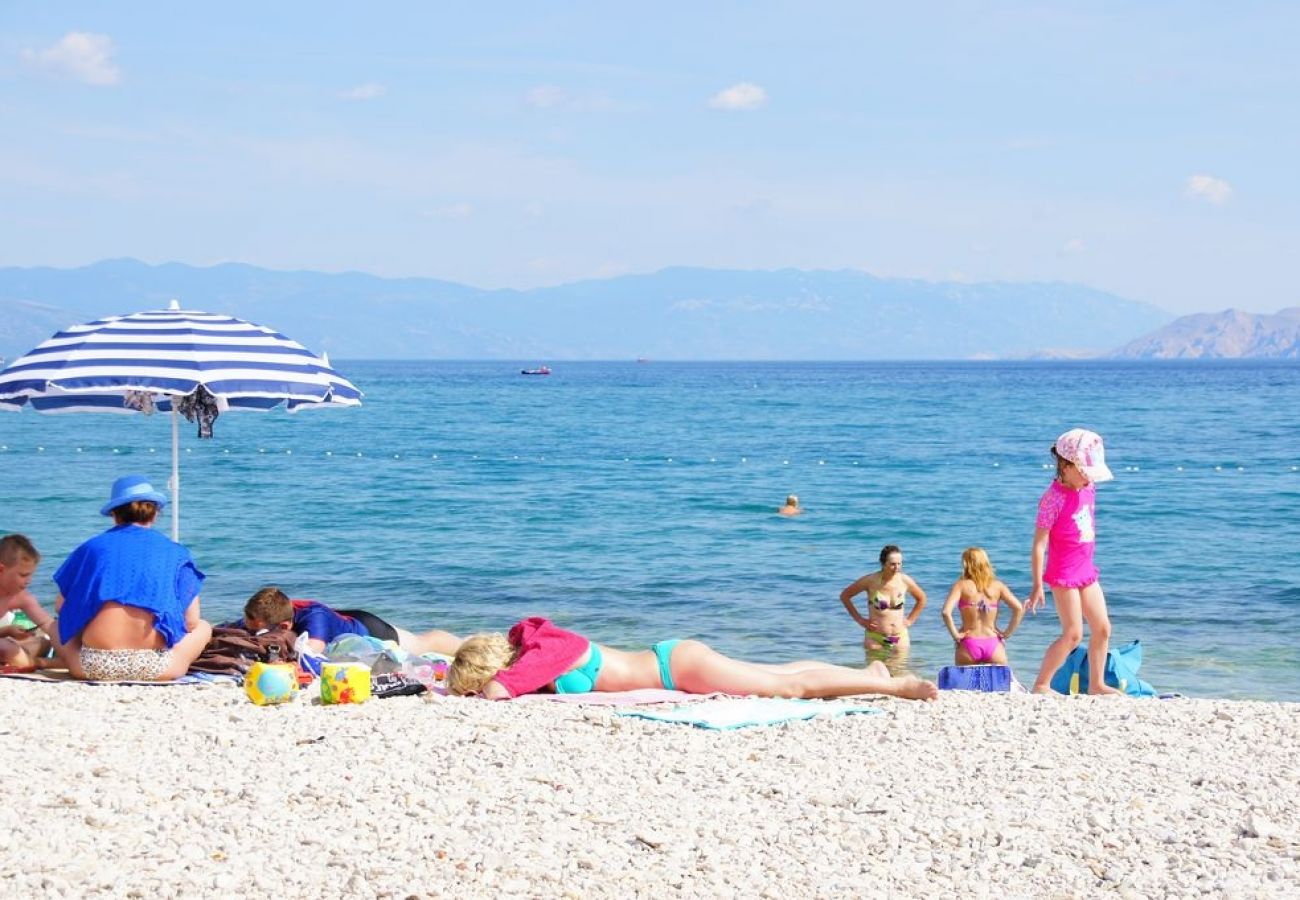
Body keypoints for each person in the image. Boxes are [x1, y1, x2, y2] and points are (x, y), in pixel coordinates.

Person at [445, 616, 938, 701]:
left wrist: (475, 691)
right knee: (778, 672)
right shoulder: (538, 656)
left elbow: (501, 690)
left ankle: (894, 686)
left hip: (675, 668)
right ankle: (866, 671)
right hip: (675, 662)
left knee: (791, 687)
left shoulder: (549, 651)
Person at [52, 475, 213, 681]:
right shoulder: (176, 553)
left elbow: (61, 607)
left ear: (114, 514)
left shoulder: (91, 548)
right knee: (204, 627)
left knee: (55, 625)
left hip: (94, 666)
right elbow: (190, 621)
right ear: (154, 514)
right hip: (158, 668)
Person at [1027, 428, 1119, 695]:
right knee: (1073, 634)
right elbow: (1039, 545)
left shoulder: (1088, 488)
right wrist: (1036, 586)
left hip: (1086, 570)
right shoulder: (1052, 499)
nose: (1088, 477)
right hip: (1064, 573)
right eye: (1083, 470)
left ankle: (1097, 684)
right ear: (1065, 466)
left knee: (1102, 628)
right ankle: (1041, 684)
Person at [242, 586, 462, 657]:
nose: (254, 634)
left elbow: (312, 651)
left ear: (284, 626)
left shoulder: (314, 618)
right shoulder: (267, 614)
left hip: (369, 629)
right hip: (341, 620)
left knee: (423, 645)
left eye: (259, 632)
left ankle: (466, 643)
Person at [839, 544, 927, 660]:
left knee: (899, 674)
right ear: (883, 563)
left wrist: (910, 620)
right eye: (892, 564)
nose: (896, 568)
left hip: (899, 637)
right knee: (875, 676)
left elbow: (922, 599)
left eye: (899, 564)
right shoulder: (870, 581)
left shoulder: (905, 580)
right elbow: (845, 596)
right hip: (875, 637)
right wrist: (861, 620)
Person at [940, 547, 1025, 666]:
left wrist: (956, 635)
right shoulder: (998, 586)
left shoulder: (961, 586)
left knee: (963, 684)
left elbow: (946, 612)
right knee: (998, 683)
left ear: (966, 565)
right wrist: (1007, 633)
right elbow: (1018, 608)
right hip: (993, 644)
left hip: (968, 644)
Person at [0, 534, 63, 670]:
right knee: (9, 648)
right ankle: (35, 662)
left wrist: (66, 648)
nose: (29, 581)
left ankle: (28, 660)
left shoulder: (20, 597)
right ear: (1, 570)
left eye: (30, 575)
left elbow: (47, 624)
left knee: (43, 642)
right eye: (23, 575)